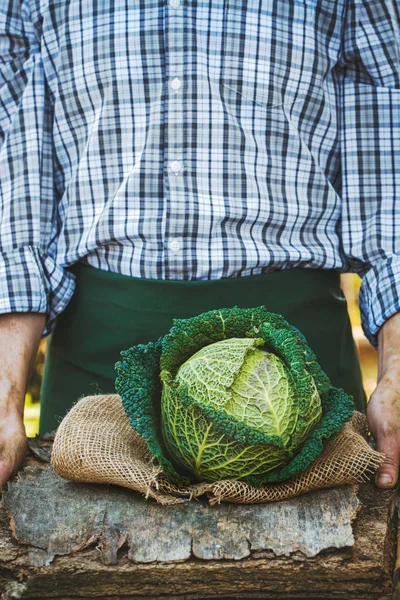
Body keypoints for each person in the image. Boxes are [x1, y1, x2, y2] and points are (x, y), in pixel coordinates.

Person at [0, 0, 399, 490]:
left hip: (301, 379)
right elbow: (17, 194)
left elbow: (389, 179)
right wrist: (4, 394)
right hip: (96, 380)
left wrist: (396, 376)